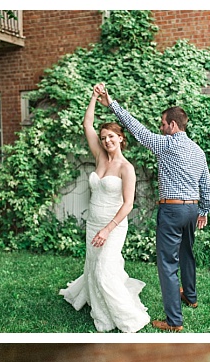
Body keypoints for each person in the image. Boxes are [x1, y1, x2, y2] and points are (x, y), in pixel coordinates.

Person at [95, 83, 210, 333]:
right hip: (192, 210)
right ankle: (190, 296)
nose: (160, 127)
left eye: (162, 124)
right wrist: (204, 210)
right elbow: (207, 185)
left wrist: (112, 104)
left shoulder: (166, 145)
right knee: (187, 253)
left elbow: (137, 130)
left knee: (168, 264)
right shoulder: (198, 150)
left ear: (172, 125)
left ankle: (174, 321)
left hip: (171, 211)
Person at [58, 89, 149, 333]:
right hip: (93, 224)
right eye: (104, 137)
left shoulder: (126, 168)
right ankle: (101, 313)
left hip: (114, 226)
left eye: (111, 137)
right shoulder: (99, 156)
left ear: (121, 138)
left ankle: (129, 320)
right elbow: (86, 123)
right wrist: (94, 97)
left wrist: (108, 230)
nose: (107, 141)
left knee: (104, 271)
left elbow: (128, 204)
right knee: (93, 267)